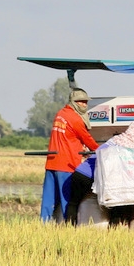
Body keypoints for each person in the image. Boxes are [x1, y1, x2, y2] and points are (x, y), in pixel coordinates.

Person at [41, 87, 99, 221]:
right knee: (67, 198)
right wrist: (100, 150)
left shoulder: (60, 114)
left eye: (86, 102)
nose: (85, 104)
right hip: (66, 164)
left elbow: (68, 137)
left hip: (51, 162)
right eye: (81, 102)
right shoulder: (75, 119)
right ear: (74, 102)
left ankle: (43, 224)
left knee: (48, 199)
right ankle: (68, 225)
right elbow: (87, 139)